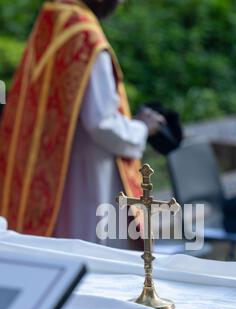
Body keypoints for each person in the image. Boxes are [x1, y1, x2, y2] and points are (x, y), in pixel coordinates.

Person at [0, 0, 164, 244]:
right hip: (89, 181)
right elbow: (102, 123)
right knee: (93, 260)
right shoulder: (85, 37)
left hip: (51, 176)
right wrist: (142, 128)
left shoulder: (54, 19)